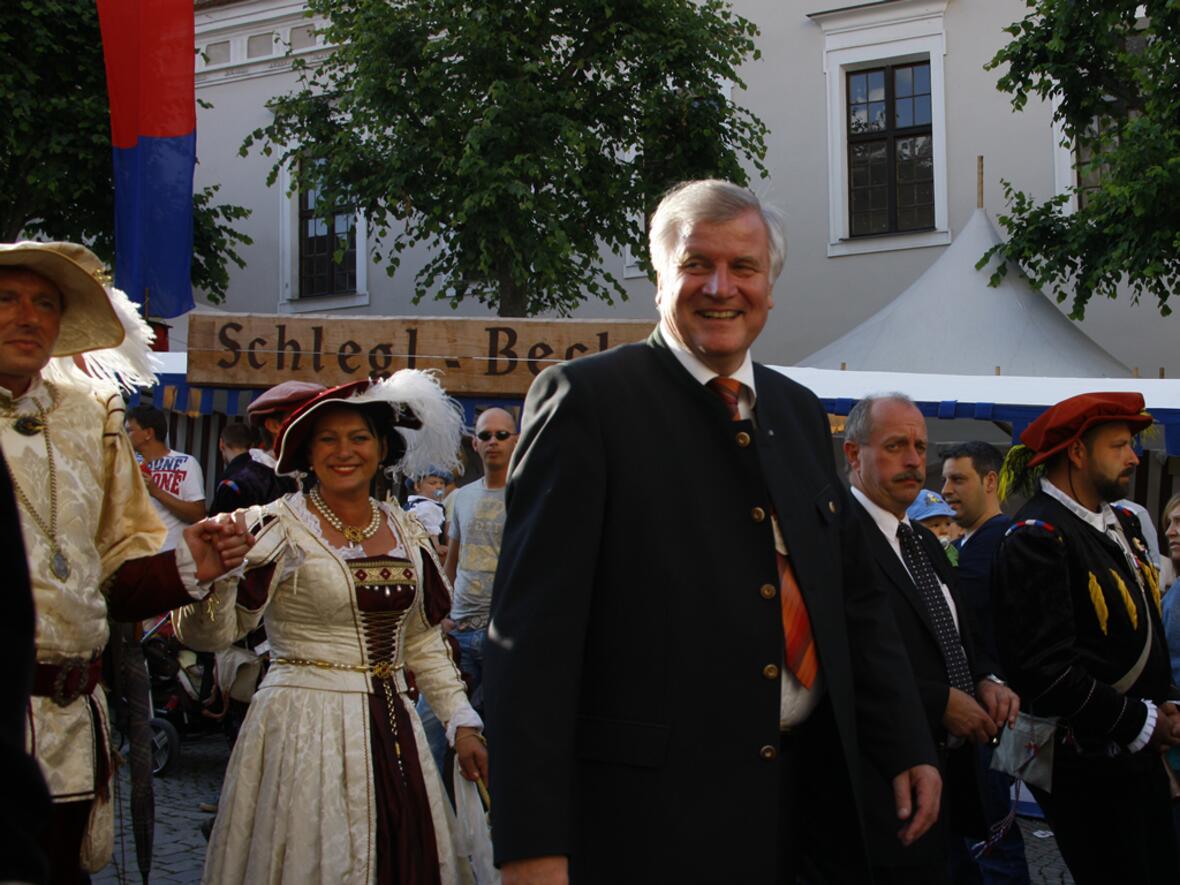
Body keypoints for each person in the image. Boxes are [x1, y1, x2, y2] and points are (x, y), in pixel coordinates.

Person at [483, 180, 939, 884]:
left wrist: (906, 740)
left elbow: (853, 600)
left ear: (770, 285)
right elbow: (529, 644)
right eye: (697, 263)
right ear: (660, 275)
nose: (721, 287)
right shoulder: (589, 401)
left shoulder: (797, 410)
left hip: (806, 810)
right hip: (650, 824)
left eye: (744, 267)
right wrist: (532, 845)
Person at [0, 240, 251, 883]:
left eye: (46, 303)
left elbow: (117, 576)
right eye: (6, 299)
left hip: (69, 733)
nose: (28, 316)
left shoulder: (92, 414)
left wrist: (189, 563)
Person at [174, 373, 487, 885]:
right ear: (306, 452)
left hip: (395, 727)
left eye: (359, 437)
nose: (345, 451)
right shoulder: (272, 527)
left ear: (382, 448)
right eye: (328, 438)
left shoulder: (408, 531)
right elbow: (209, 636)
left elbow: (423, 641)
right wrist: (216, 579)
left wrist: (461, 722)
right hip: (302, 728)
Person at [993, 392, 1180, 884]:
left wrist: (1165, 703)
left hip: (1133, 755)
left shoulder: (1115, 522)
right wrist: (1139, 720)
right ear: (1077, 452)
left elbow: (1141, 629)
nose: (1134, 456)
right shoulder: (1037, 535)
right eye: (1119, 445)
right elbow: (1044, 671)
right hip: (1090, 765)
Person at [844, 395, 1018, 885]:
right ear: (853, 455)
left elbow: (959, 628)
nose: (915, 460)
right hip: (881, 780)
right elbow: (839, 657)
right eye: (896, 445)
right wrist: (939, 699)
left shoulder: (921, 540)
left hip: (952, 772)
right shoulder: (836, 536)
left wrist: (985, 678)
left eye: (920, 446)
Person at [940, 441, 1031, 885]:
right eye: (944, 480)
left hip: (992, 723)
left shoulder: (1005, 542)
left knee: (994, 844)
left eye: (958, 479)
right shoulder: (973, 543)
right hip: (970, 722)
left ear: (991, 481)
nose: (946, 490)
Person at [443, 407, 518, 713]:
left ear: (516, 440)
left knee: (498, 725)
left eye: (502, 435)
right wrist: (442, 615)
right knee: (435, 722)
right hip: (459, 628)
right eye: (485, 435)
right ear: (474, 443)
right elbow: (452, 561)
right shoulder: (460, 497)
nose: (493, 442)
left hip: (500, 632)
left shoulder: (528, 496)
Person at [126, 404, 207, 551]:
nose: (125, 436)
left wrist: (156, 491)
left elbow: (198, 514)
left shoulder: (186, 463)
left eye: (130, 430)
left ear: (148, 433)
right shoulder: (127, 466)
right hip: (135, 556)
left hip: (170, 555)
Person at [244, 380, 326, 492]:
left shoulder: (321, 474)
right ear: (274, 426)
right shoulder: (245, 484)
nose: (314, 427)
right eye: (303, 419)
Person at [210, 421, 284, 515]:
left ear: (221, 443)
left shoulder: (230, 482)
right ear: (252, 445)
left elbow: (216, 523)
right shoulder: (278, 473)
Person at [906, 489, 962, 561]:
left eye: (948, 524)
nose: (944, 531)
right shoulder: (912, 555)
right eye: (936, 525)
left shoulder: (952, 551)